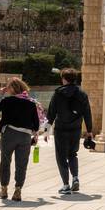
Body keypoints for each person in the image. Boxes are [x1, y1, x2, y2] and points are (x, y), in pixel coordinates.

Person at [0, 78, 44, 202]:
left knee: (5, 161)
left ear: (12, 88)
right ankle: (18, 190)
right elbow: (36, 125)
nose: (7, 90)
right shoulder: (31, 103)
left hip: (9, 134)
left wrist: (0, 94)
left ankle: (4, 189)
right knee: (21, 164)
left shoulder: (7, 101)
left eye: (8, 87)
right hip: (25, 136)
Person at [45, 67, 93, 195]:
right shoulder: (82, 94)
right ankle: (75, 177)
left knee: (61, 157)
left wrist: (46, 131)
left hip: (61, 129)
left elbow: (51, 113)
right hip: (76, 129)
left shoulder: (58, 93)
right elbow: (87, 113)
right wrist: (89, 130)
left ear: (64, 79)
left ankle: (66, 185)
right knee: (73, 154)